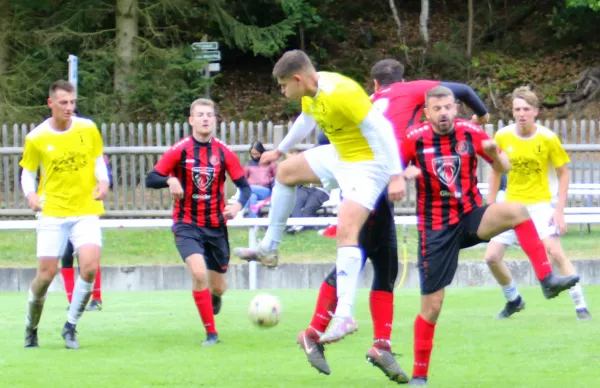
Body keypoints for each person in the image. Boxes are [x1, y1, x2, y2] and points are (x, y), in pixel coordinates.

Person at [400, 86, 580, 386]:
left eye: (448, 107)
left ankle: (547, 281)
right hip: (435, 229)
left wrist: (496, 155)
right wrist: (400, 175)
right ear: (427, 112)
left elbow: (502, 167)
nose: (444, 113)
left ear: (456, 109)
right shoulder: (413, 139)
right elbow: (393, 167)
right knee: (432, 308)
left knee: (516, 211)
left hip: (470, 216)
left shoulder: (471, 132)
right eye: (437, 108)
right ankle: (419, 374)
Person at [233, 49, 406, 343]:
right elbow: (305, 120)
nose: (282, 90)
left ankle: (345, 316)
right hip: (341, 154)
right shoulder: (312, 92)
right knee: (285, 172)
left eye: (284, 84)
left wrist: (396, 174)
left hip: (369, 164)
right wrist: (279, 150)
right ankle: (269, 248)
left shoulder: (342, 93)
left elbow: (384, 129)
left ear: (298, 78)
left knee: (347, 231)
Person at [145, 98, 251, 346]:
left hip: (215, 226)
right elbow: (152, 178)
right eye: (200, 115)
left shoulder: (223, 152)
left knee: (220, 287)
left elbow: (245, 188)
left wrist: (236, 205)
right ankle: (211, 334)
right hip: (187, 223)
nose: (205, 119)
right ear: (191, 120)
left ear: (214, 120)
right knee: (198, 272)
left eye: (209, 115)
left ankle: (214, 296)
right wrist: (170, 181)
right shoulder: (179, 150)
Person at [484, 87, 590, 321]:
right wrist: (490, 204)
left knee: (555, 251)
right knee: (491, 257)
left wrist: (559, 211)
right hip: (511, 206)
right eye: (517, 109)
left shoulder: (547, 138)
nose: (521, 114)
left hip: (539, 205)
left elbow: (564, 174)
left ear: (536, 112)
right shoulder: (502, 136)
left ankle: (581, 305)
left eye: (526, 109)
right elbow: (495, 171)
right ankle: (514, 300)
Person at [20, 80, 109, 349]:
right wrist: (31, 195)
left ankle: (70, 326)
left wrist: (103, 182)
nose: (69, 108)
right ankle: (31, 326)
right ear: (51, 104)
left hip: (85, 209)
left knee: (90, 267)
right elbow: (28, 173)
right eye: (63, 103)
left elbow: (97, 161)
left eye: (72, 102)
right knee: (46, 276)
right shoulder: (36, 137)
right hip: (53, 211)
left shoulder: (88, 128)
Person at [296, 193, 409, 383]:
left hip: (383, 210)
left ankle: (382, 345)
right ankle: (312, 334)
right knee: (349, 268)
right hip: (362, 204)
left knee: (387, 272)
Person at [369, 58, 490, 143]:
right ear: (402, 80)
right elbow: (464, 90)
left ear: (376, 84)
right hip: (396, 155)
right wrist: (482, 115)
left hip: (367, 156)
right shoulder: (410, 88)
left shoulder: (369, 100)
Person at [284, 147, 331, 234]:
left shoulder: (326, 165)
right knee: (296, 201)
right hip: (305, 188)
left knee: (309, 207)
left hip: (320, 190)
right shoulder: (305, 165)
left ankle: (298, 227)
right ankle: (296, 225)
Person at [244, 141, 277, 218]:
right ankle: (253, 222)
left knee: (248, 188)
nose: (254, 156)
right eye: (252, 154)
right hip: (252, 191)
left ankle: (239, 212)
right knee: (252, 197)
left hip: (266, 191)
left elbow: (277, 176)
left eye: (256, 154)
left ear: (261, 152)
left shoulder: (270, 163)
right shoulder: (249, 164)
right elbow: (243, 179)